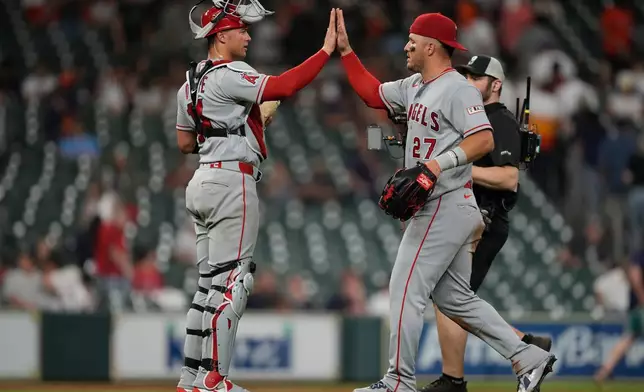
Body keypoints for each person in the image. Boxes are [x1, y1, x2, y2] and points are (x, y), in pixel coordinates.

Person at [334, 9, 556, 392]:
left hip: (447, 202)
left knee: (404, 289)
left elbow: (483, 139)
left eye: (413, 41)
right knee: (456, 300)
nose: (406, 45)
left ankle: (398, 381)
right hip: (444, 205)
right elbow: (372, 93)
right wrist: (346, 51)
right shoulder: (415, 85)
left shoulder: (459, 88)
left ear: (432, 46)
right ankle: (529, 358)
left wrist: (438, 164)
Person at [175, 2, 338, 392]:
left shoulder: (189, 82)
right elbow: (285, 86)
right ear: (221, 36)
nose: (249, 36)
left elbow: (185, 142)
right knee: (235, 282)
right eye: (242, 31)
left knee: (206, 288)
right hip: (233, 182)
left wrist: (245, 124)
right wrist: (326, 50)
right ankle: (215, 380)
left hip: (201, 181)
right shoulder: (232, 71)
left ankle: (191, 379)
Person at [419, 55, 552, 392]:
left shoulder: (500, 121)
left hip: (485, 220)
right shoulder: (472, 118)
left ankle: (455, 380)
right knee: (452, 298)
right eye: (464, 74)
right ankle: (526, 345)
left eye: (475, 77)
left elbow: (509, 178)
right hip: (468, 218)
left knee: (452, 299)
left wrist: (456, 167)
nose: (467, 80)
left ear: (496, 85)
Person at [594, 250, 644, 383]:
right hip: (640, 306)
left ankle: (604, 371)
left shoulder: (638, 255)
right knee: (627, 338)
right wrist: (642, 297)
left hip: (635, 307)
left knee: (627, 338)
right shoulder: (640, 255)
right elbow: (635, 276)